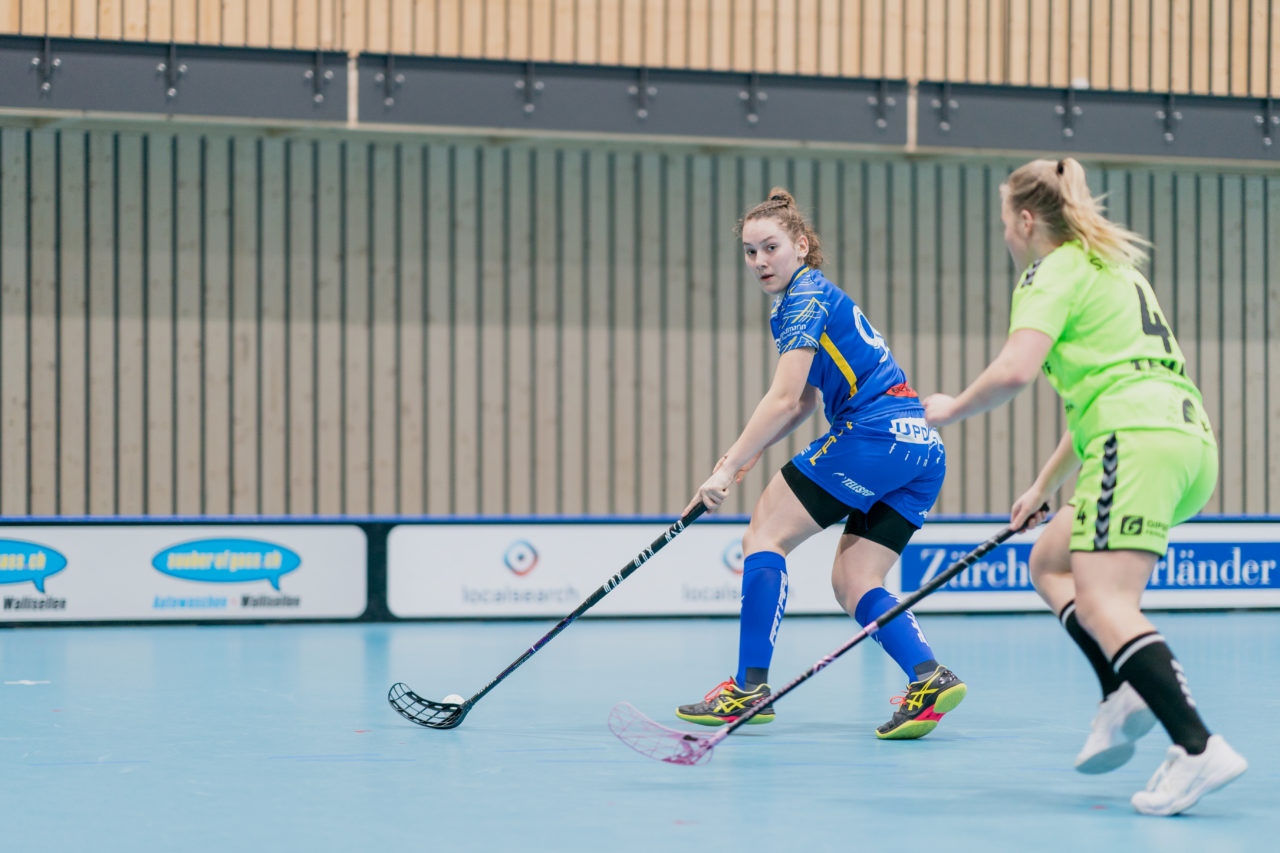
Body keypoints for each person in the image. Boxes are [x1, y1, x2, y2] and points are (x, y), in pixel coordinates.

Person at [922, 157, 1247, 816]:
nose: (1005, 236)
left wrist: (951, 408)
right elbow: (1104, 388)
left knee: (1105, 602)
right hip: (1183, 443)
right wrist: (1044, 483)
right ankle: (1119, 689)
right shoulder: (1115, 269)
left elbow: (1016, 370)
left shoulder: (1051, 270)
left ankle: (1196, 745)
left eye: (1004, 223)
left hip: (1134, 441)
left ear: (1025, 220)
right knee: (1049, 560)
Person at [675, 188, 960, 740]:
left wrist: (726, 468)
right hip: (921, 446)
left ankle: (749, 688)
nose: (759, 261)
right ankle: (929, 676)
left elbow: (784, 400)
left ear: (801, 246)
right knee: (855, 580)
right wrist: (746, 458)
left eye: (771, 247)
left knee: (764, 535)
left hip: (873, 435)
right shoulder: (806, 299)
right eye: (750, 252)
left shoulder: (804, 299)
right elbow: (806, 401)